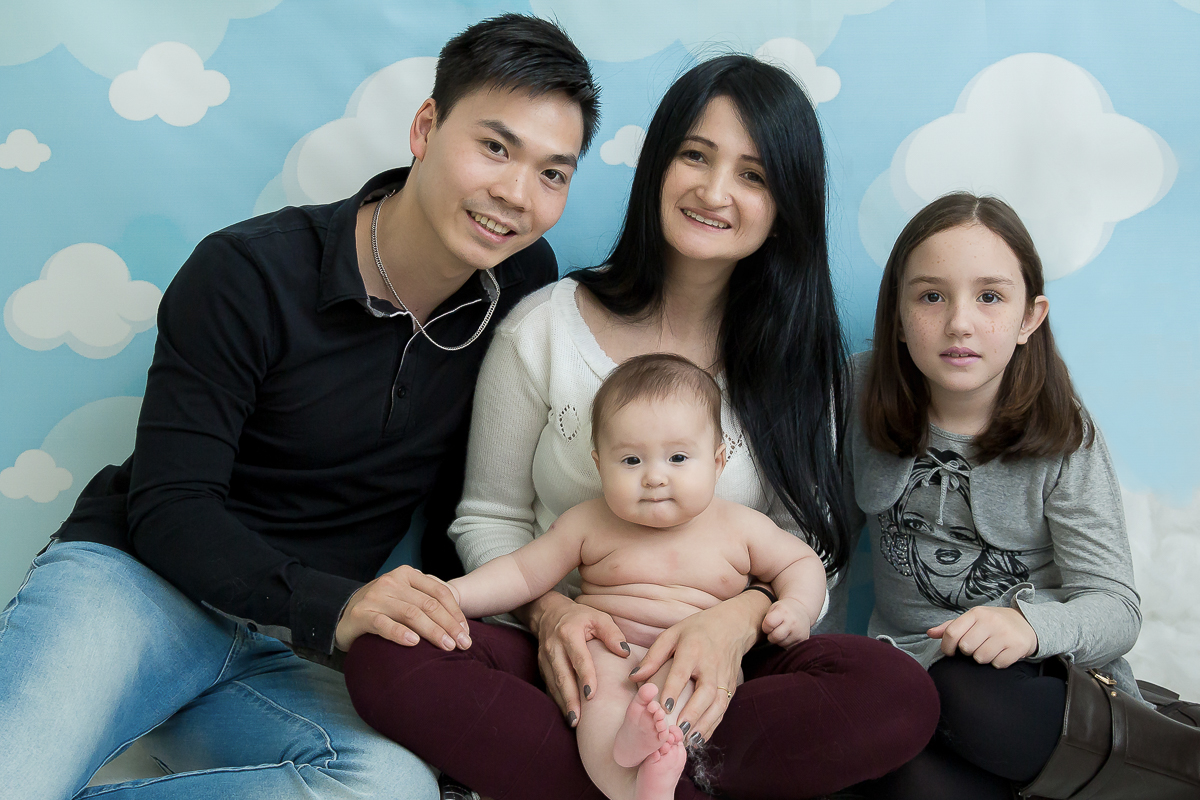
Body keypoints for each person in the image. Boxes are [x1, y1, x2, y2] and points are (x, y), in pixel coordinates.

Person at [0, 14, 599, 800]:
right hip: (137, 586)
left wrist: (514, 627)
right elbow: (170, 507)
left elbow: (466, 491)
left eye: (553, 173)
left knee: (393, 789)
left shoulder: (518, 281)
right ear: (425, 128)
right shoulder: (246, 273)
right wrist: (339, 604)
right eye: (495, 147)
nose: (516, 195)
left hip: (287, 649)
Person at [344, 55, 940, 800]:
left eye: (752, 175)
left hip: (715, 674)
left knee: (893, 690)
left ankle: (621, 777)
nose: (715, 191)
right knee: (385, 655)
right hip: (560, 663)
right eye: (695, 155)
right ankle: (662, 783)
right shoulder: (544, 328)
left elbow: (807, 545)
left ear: (786, 200)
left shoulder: (797, 363)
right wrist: (551, 612)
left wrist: (735, 626)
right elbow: (488, 515)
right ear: (659, 163)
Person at [847, 193, 1141, 800]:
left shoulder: (1065, 433)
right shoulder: (855, 391)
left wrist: (1028, 627)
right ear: (898, 315)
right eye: (931, 296)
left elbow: (1116, 606)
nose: (960, 323)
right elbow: (816, 536)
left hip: (1031, 685)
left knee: (961, 690)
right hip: (907, 677)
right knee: (897, 759)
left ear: (1030, 317)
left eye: (990, 297)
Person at [442, 353, 829, 800]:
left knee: (688, 693)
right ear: (599, 463)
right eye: (630, 461)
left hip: (693, 659)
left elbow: (802, 563)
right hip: (609, 650)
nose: (654, 477)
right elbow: (522, 571)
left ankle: (653, 753)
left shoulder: (741, 527)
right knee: (597, 693)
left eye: (678, 457)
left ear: (719, 461)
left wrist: (796, 607)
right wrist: (452, 594)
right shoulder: (588, 522)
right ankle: (628, 775)